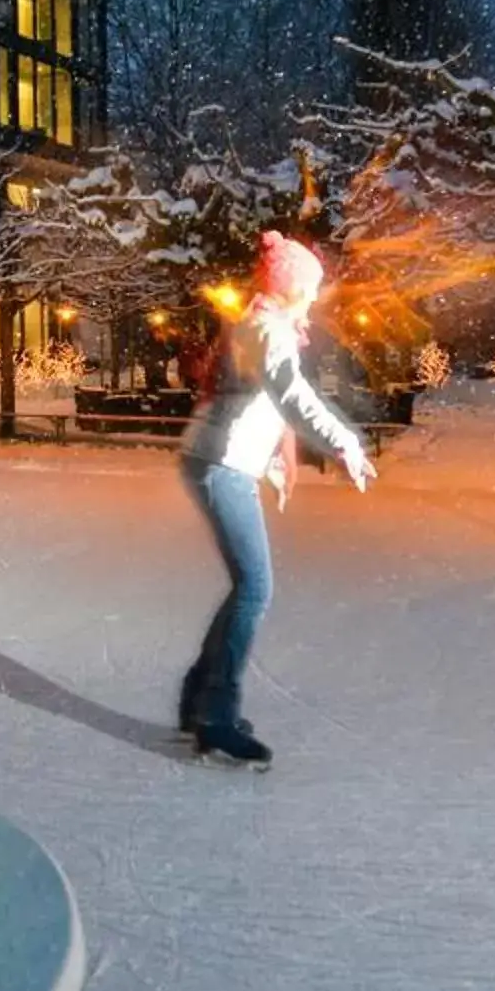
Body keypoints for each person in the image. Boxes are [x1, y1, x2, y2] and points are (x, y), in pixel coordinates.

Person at [172, 231, 378, 770]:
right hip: (220, 466)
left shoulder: (263, 325)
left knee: (247, 587)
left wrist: (269, 462)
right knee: (255, 589)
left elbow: (250, 402)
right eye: (308, 288)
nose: (313, 297)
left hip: (219, 460)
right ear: (289, 288)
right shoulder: (268, 329)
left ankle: (200, 701)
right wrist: (343, 441)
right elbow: (289, 393)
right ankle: (214, 717)